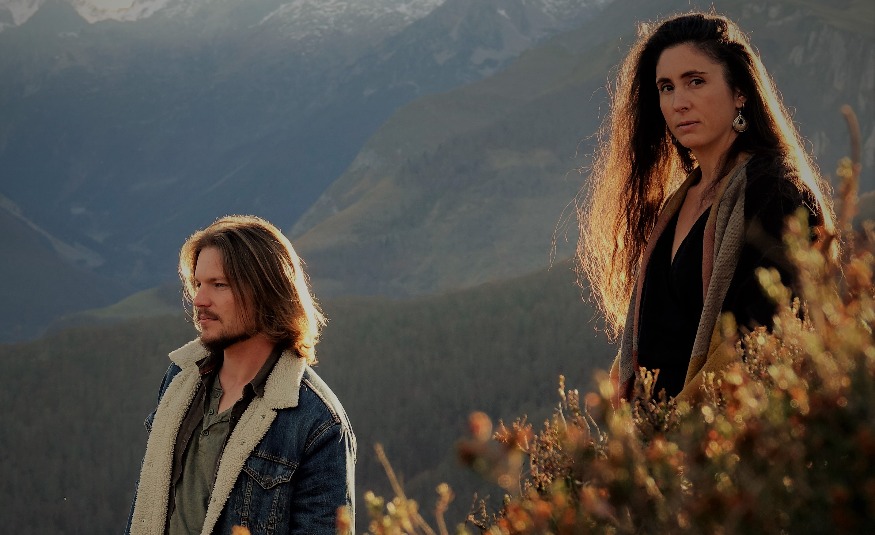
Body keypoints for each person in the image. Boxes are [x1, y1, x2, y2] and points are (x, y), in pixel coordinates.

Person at [577, 13, 836, 404]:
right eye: (666, 88)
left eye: (695, 81)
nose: (679, 103)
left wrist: (683, 430)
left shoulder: (776, 195)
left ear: (740, 92)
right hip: (656, 433)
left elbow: (764, 344)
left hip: (724, 433)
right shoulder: (680, 201)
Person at [126, 215, 356, 535]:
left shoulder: (316, 421)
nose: (199, 300)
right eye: (198, 284)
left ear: (266, 292)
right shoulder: (180, 378)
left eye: (219, 285)